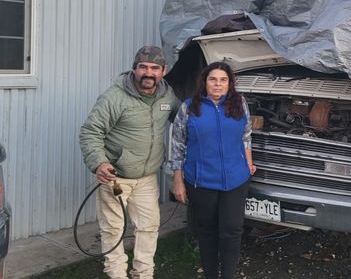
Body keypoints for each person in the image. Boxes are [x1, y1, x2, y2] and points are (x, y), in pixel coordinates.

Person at [79, 45, 179, 279]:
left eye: (154, 68)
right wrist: (99, 163)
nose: (148, 73)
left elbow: (185, 119)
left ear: (163, 71)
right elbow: (90, 132)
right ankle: (117, 275)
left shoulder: (168, 95)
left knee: (148, 228)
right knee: (113, 230)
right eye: (143, 67)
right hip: (116, 178)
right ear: (134, 69)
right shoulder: (114, 97)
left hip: (147, 178)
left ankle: (143, 274)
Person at [167, 61, 256, 279]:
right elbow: (177, 145)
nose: (218, 84)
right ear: (204, 82)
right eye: (213, 79)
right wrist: (178, 181)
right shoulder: (189, 107)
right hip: (201, 181)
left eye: (223, 80)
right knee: (207, 232)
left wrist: (248, 163)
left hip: (235, 179)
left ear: (230, 83)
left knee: (232, 231)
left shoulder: (240, 103)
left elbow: (246, 135)